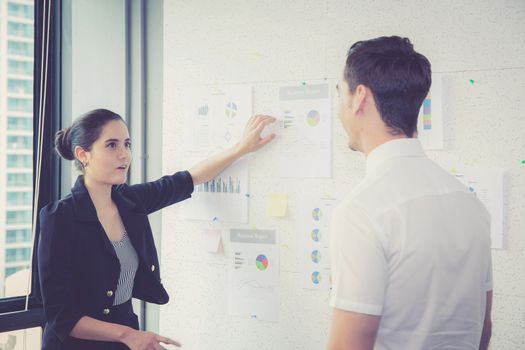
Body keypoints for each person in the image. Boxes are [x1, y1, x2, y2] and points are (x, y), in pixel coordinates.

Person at [37, 109, 275, 350]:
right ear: (83, 154)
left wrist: (242, 148)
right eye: (111, 145)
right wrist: (128, 335)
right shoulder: (60, 218)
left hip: (125, 339)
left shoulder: (130, 202)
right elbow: (61, 316)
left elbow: (188, 179)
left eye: (127, 144)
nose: (124, 155)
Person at [327, 36, 492, 350]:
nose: (339, 110)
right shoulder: (470, 204)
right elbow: (484, 330)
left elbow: (351, 344)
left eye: (340, 93)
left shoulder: (361, 211)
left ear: (359, 97)